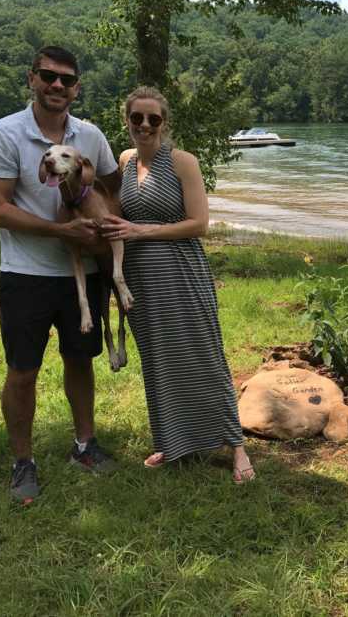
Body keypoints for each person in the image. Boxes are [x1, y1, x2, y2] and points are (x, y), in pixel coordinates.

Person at [0, 46, 121, 503]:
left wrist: (104, 233)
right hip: (26, 273)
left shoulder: (91, 137)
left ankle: (85, 445)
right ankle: (23, 462)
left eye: (66, 79)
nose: (57, 85)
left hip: (84, 274)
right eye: (48, 76)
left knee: (81, 359)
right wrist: (62, 229)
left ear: (76, 87)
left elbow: (111, 189)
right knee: (23, 370)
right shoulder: (3, 134)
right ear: (32, 79)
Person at [100, 86, 255, 483]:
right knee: (158, 357)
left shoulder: (183, 162)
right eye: (137, 118)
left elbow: (198, 224)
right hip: (139, 277)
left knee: (202, 353)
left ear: (164, 123)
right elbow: (116, 217)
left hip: (180, 272)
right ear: (127, 121)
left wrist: (140, 230)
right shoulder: (125, 161)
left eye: (154, 119)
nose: (145, 126)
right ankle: (172, 441)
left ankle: (236, 447)